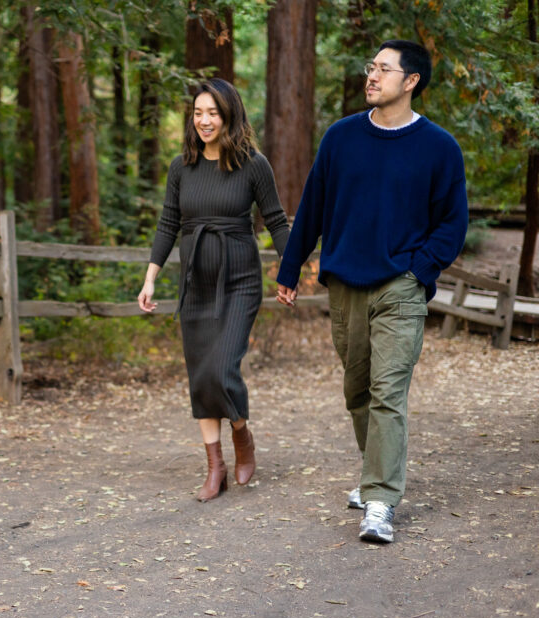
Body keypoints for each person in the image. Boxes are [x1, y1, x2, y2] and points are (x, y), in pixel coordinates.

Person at [275, 40, 468, 543]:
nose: (372, 76)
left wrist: (419, 270)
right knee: (357, 391)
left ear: (411, 82)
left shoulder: (440, 147)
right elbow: (313, 204)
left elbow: (452, 223)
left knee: (388, 393)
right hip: (345, 284)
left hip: (401, 287)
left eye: (385, 69)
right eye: (371, 67)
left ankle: (380, 501)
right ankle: (373, 473)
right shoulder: (341, 138)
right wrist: (290, 268)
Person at [138, 78, 290, 502]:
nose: (204, 121)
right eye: (198, 113)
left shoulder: (253, 165)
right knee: (199, 375)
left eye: (213, 113)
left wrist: (289, 271)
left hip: (239, 281)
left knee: (220, 369)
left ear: (229, 116)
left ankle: (242, 434)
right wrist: (150, 277)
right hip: (195, 285)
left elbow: (276, 220)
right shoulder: (180, 167)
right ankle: (215, 465)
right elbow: (168, 224)